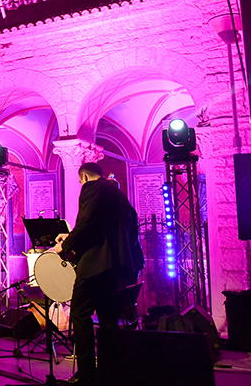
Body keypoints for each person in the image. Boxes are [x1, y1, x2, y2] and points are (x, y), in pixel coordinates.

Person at [50, 162, 144, 386]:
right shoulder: (116, 192)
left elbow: (86, 223)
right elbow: (127, 226)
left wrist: (65, 246)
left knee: (80, 315)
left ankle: (87, 375)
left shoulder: (92, 188)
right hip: (114, 266)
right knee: (108, 318)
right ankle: (110, 371)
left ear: (83, 176)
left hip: (94, 265)